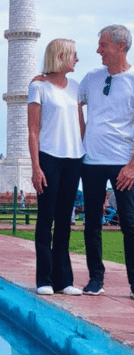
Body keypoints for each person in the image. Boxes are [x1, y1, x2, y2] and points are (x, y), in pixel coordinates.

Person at [77, 25, 134, 298]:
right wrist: (83, 139)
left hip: (123, 164)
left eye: (103, 45)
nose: (98, 50)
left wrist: (132, 166)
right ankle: (95, 279)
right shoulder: (91, 78)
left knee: (130, 223)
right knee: (91, 223)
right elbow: (75, 102)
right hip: (91, 163)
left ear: (120, 46)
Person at [28, 38, 84, 296]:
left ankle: (65, 280)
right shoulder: (38, 86)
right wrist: (36, 167)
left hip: (74, 159)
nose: (77, 59)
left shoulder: (76, 87)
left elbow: (80, 125)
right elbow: (33, 130)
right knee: (45, 219)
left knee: (65, 220)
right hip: (49, 157)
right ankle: (45, 279)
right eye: (73, 54)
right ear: (60, 56)